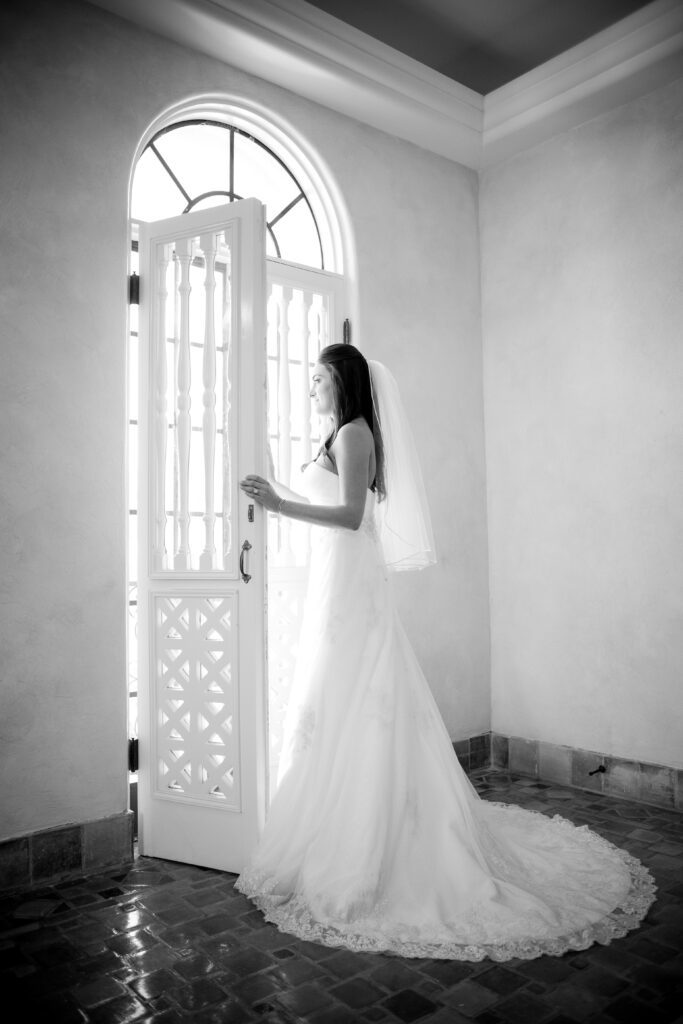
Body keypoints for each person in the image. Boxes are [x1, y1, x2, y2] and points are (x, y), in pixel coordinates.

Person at [236, 343, 655, 961]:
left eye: (320, 380)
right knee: (336, 695)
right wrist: (276, 493)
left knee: (361, 691)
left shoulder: (354, 435)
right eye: (312, 381)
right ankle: (330, 826)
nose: (313, 390)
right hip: (335, 581)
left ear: (344, 383)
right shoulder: (334, 435)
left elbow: (352, 516)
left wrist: (277, 503)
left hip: (354, 580)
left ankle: (380, 841)